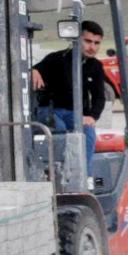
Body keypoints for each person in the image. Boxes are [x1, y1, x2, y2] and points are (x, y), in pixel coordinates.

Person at [31, 19, 106, 170]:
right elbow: (36, 69)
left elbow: (99, 96)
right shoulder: (57, 59)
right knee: (60, 128)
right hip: (50, 110)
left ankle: (83, 175)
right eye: (88, 41)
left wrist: (92, 116)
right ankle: (61, 172)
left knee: (88, 131)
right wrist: (33, 71)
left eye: (96, 43)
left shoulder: (96, 67)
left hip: (74, 113)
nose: (92, 47)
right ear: (77, 39)